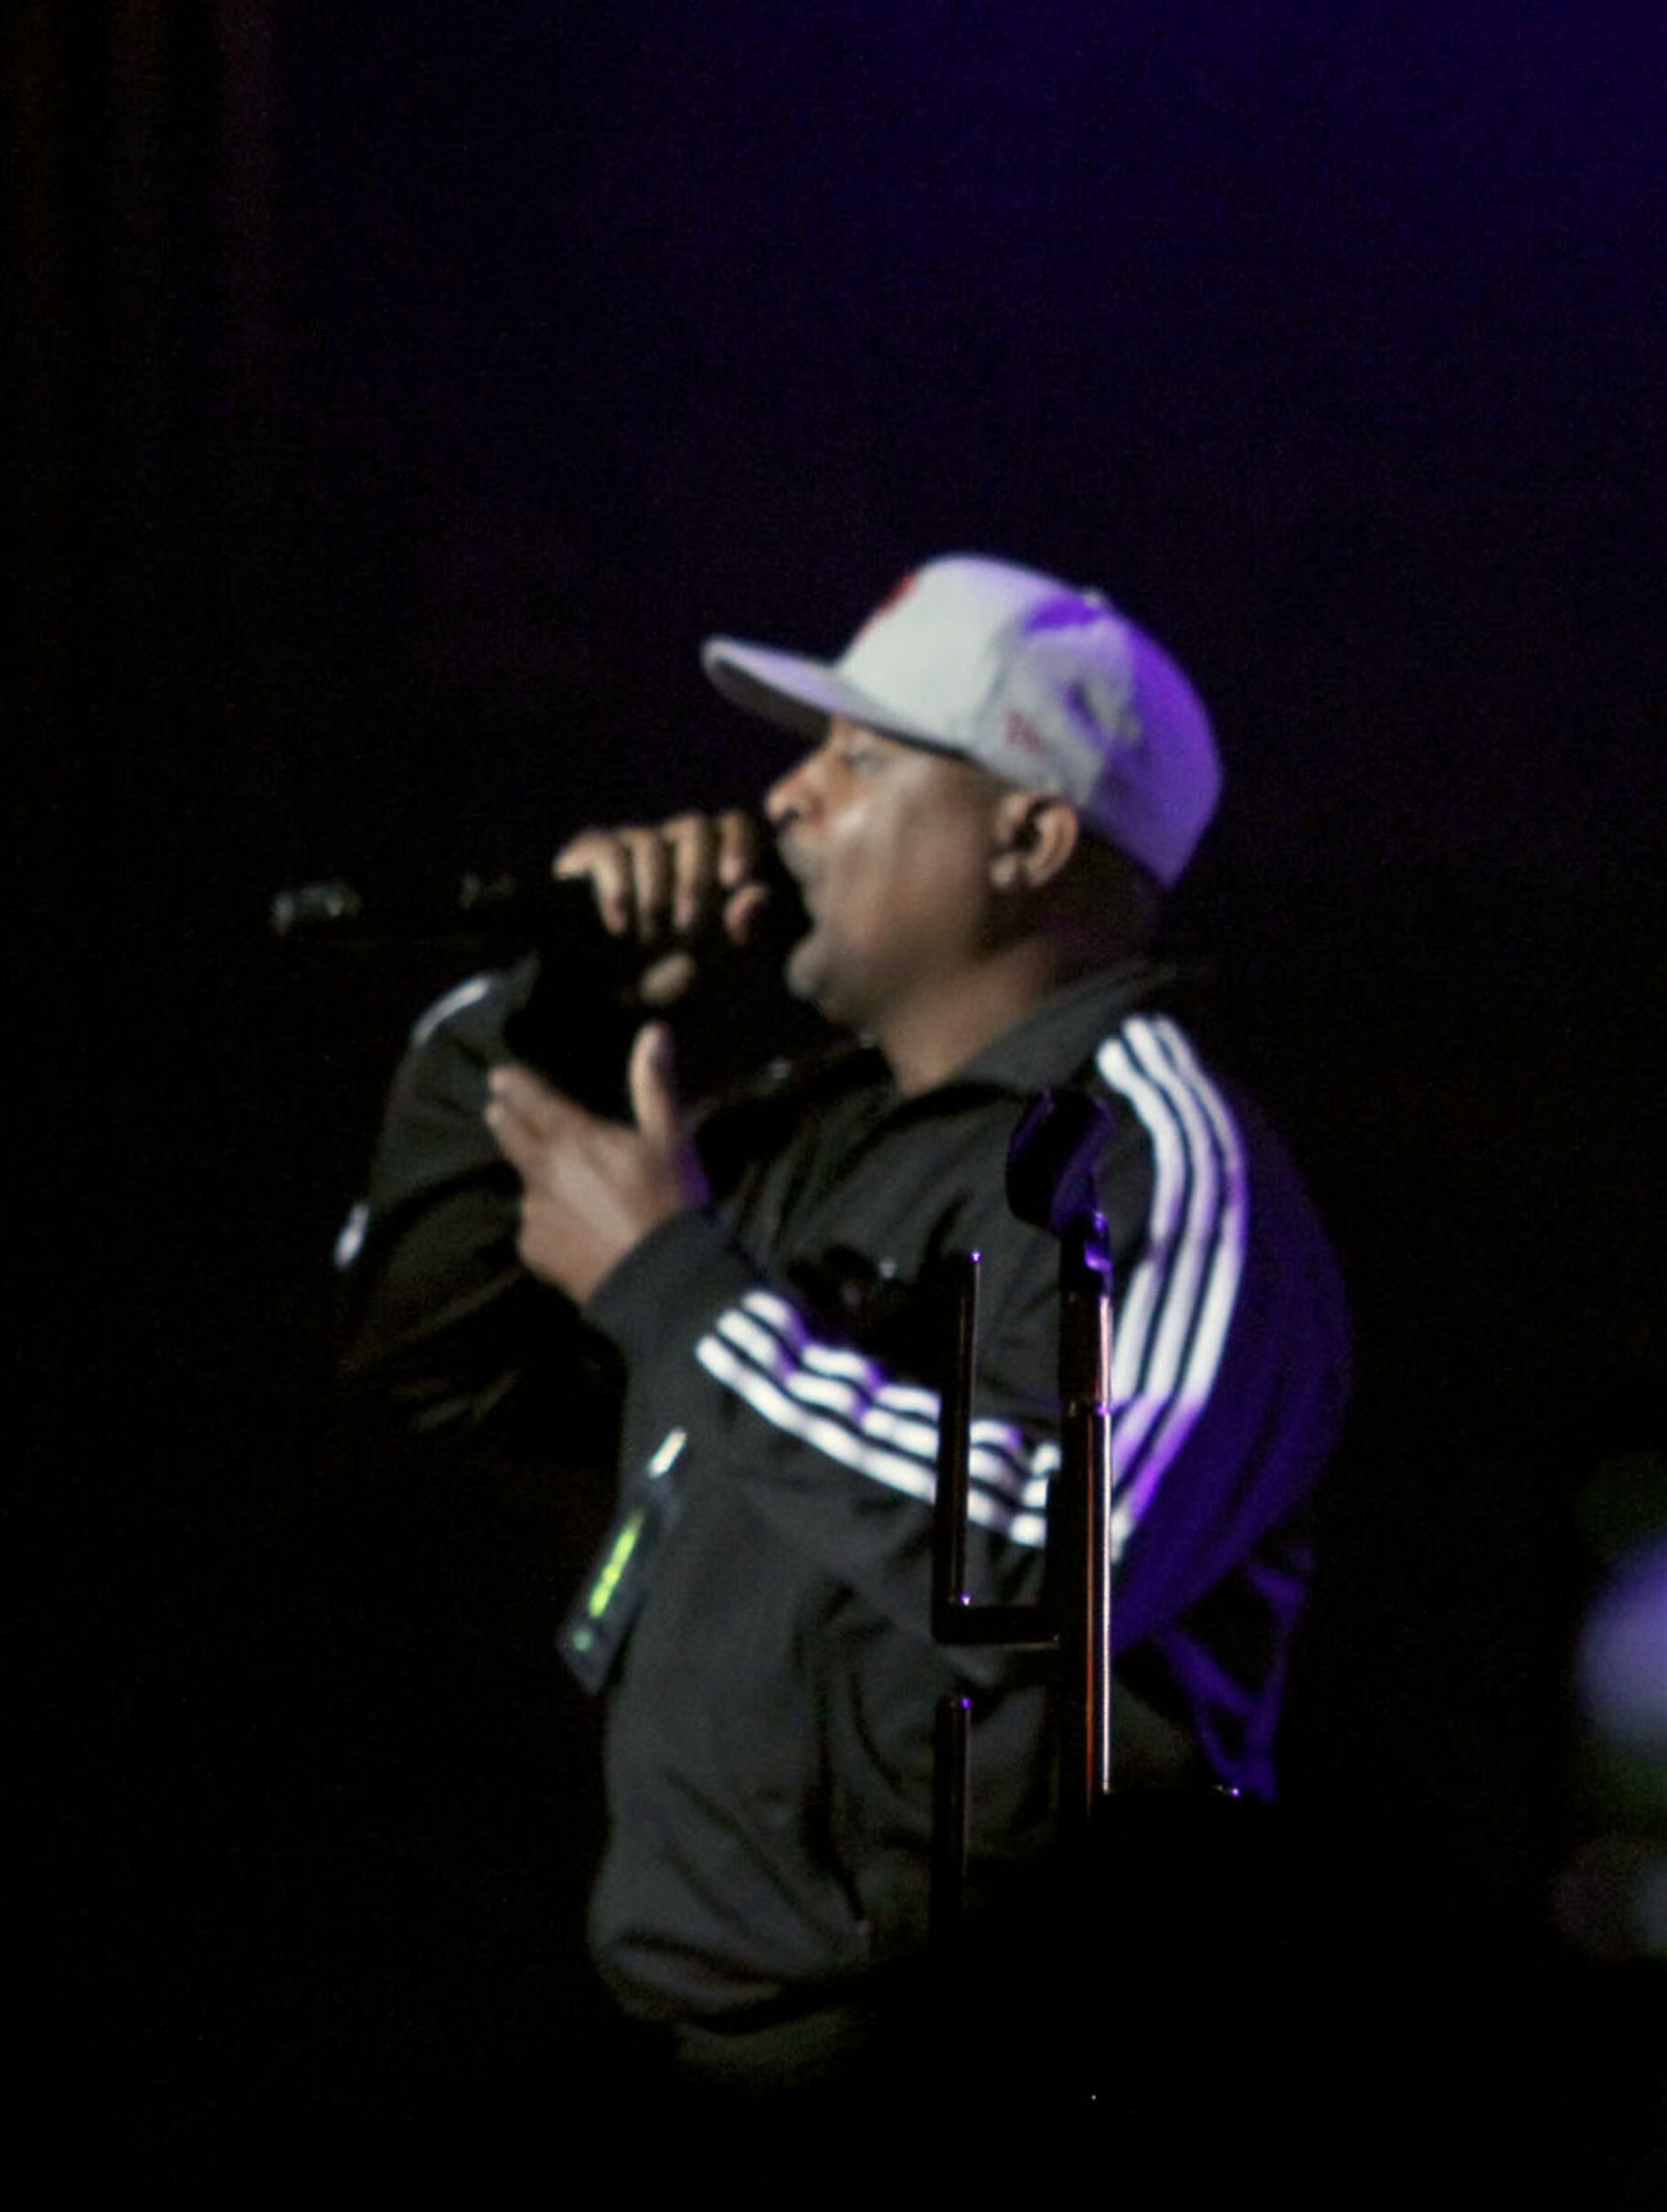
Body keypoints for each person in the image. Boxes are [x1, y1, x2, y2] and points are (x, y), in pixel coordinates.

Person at [337, 554, 1350, 2086]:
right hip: (695, 2065)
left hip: (992, 2105)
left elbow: (1061, 1561)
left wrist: (675, 1282)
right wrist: (556, 1010)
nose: (789, 801)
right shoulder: (815, 1141)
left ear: (1029, 835)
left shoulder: (1157, 1157)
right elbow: (434, 1356)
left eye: (861, 758)